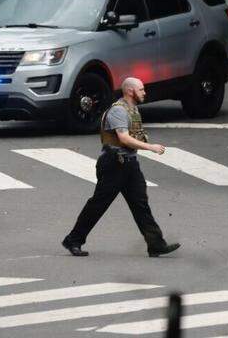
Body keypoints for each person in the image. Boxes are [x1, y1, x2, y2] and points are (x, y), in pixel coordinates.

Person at [62, 77, 180, 257]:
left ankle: (156, 243)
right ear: (130, 91)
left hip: (130, 164)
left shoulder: (132, 109)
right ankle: (73, 239)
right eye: (141, 89)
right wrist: (151, 147)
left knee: (140, 204)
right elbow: (123, 138)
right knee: (98, 204)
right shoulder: (118, 111)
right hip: (113, 164)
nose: (144, 92)